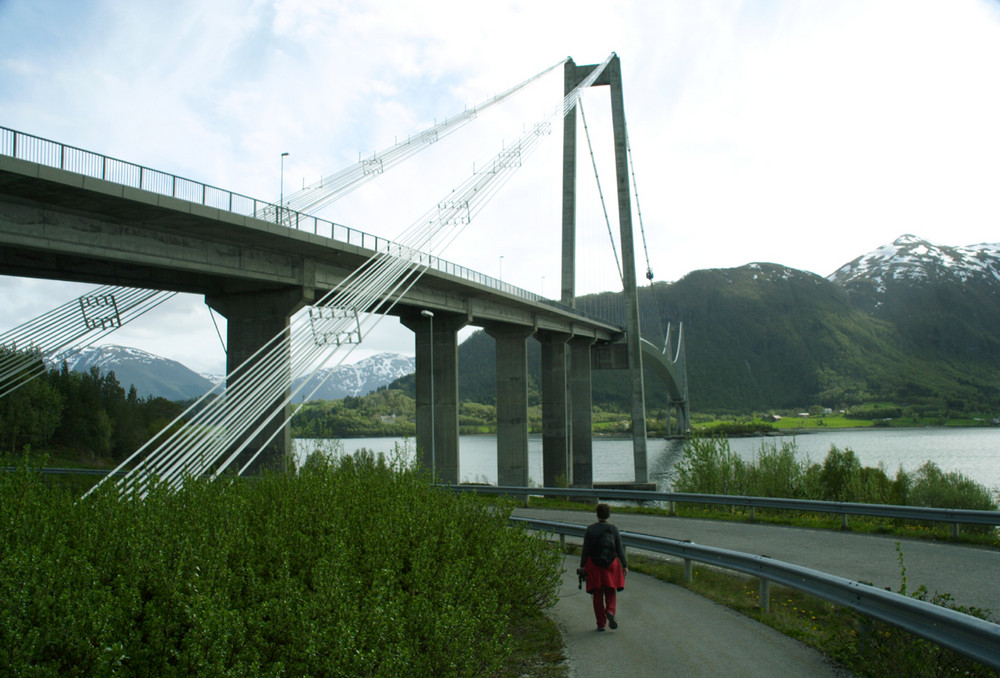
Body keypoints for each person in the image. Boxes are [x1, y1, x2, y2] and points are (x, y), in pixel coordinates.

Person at [580, 502, 628, 632]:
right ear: (609, 515)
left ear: (597, 514)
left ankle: (601, 624)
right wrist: (625, 565)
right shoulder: (613, 529)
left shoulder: (590, 529)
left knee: (597, 594)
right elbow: (619, 548)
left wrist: (582, 565)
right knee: (611, 590)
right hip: (611, 564)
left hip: (594, 565)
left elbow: (586, 550)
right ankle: (610, 611)